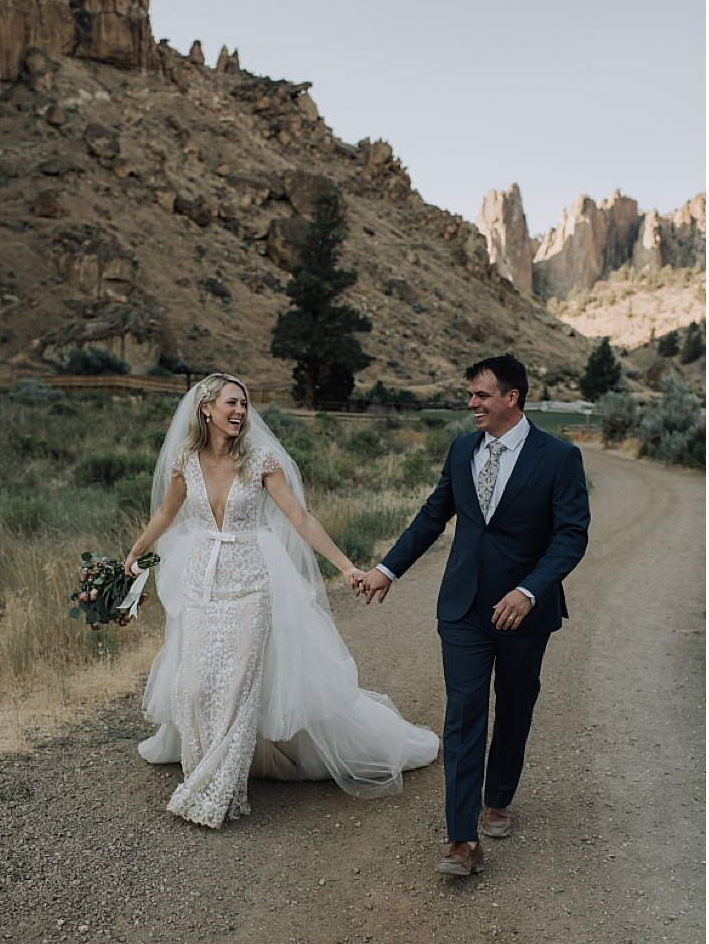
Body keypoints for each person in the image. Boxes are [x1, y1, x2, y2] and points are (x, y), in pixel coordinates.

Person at [126, 374, 438, 830]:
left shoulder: (261, 460)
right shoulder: (186, 461)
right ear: (206, 409)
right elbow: (166, 513)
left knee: (236, 689)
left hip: (251, 584)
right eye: (232, 403)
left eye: (245, 404)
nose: (241, 411)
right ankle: (200, 768)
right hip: (201, 583)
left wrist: (345, 565)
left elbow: (300, 518)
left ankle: (216, 790)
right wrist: (133, 555)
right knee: (192, 686)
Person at [360, 355, 589, 877]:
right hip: (462, 607)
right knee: (463, 714)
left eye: (481, 395)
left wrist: (529, 591)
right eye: (470, 395)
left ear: (512, 397)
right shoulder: (463, 449)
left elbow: (571, 536)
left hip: (524, 612)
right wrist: (386, 569)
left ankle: (498, 798)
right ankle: (462, 839)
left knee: (514, 705)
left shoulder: (558, 458)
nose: (471, 404)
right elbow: (432, 515)